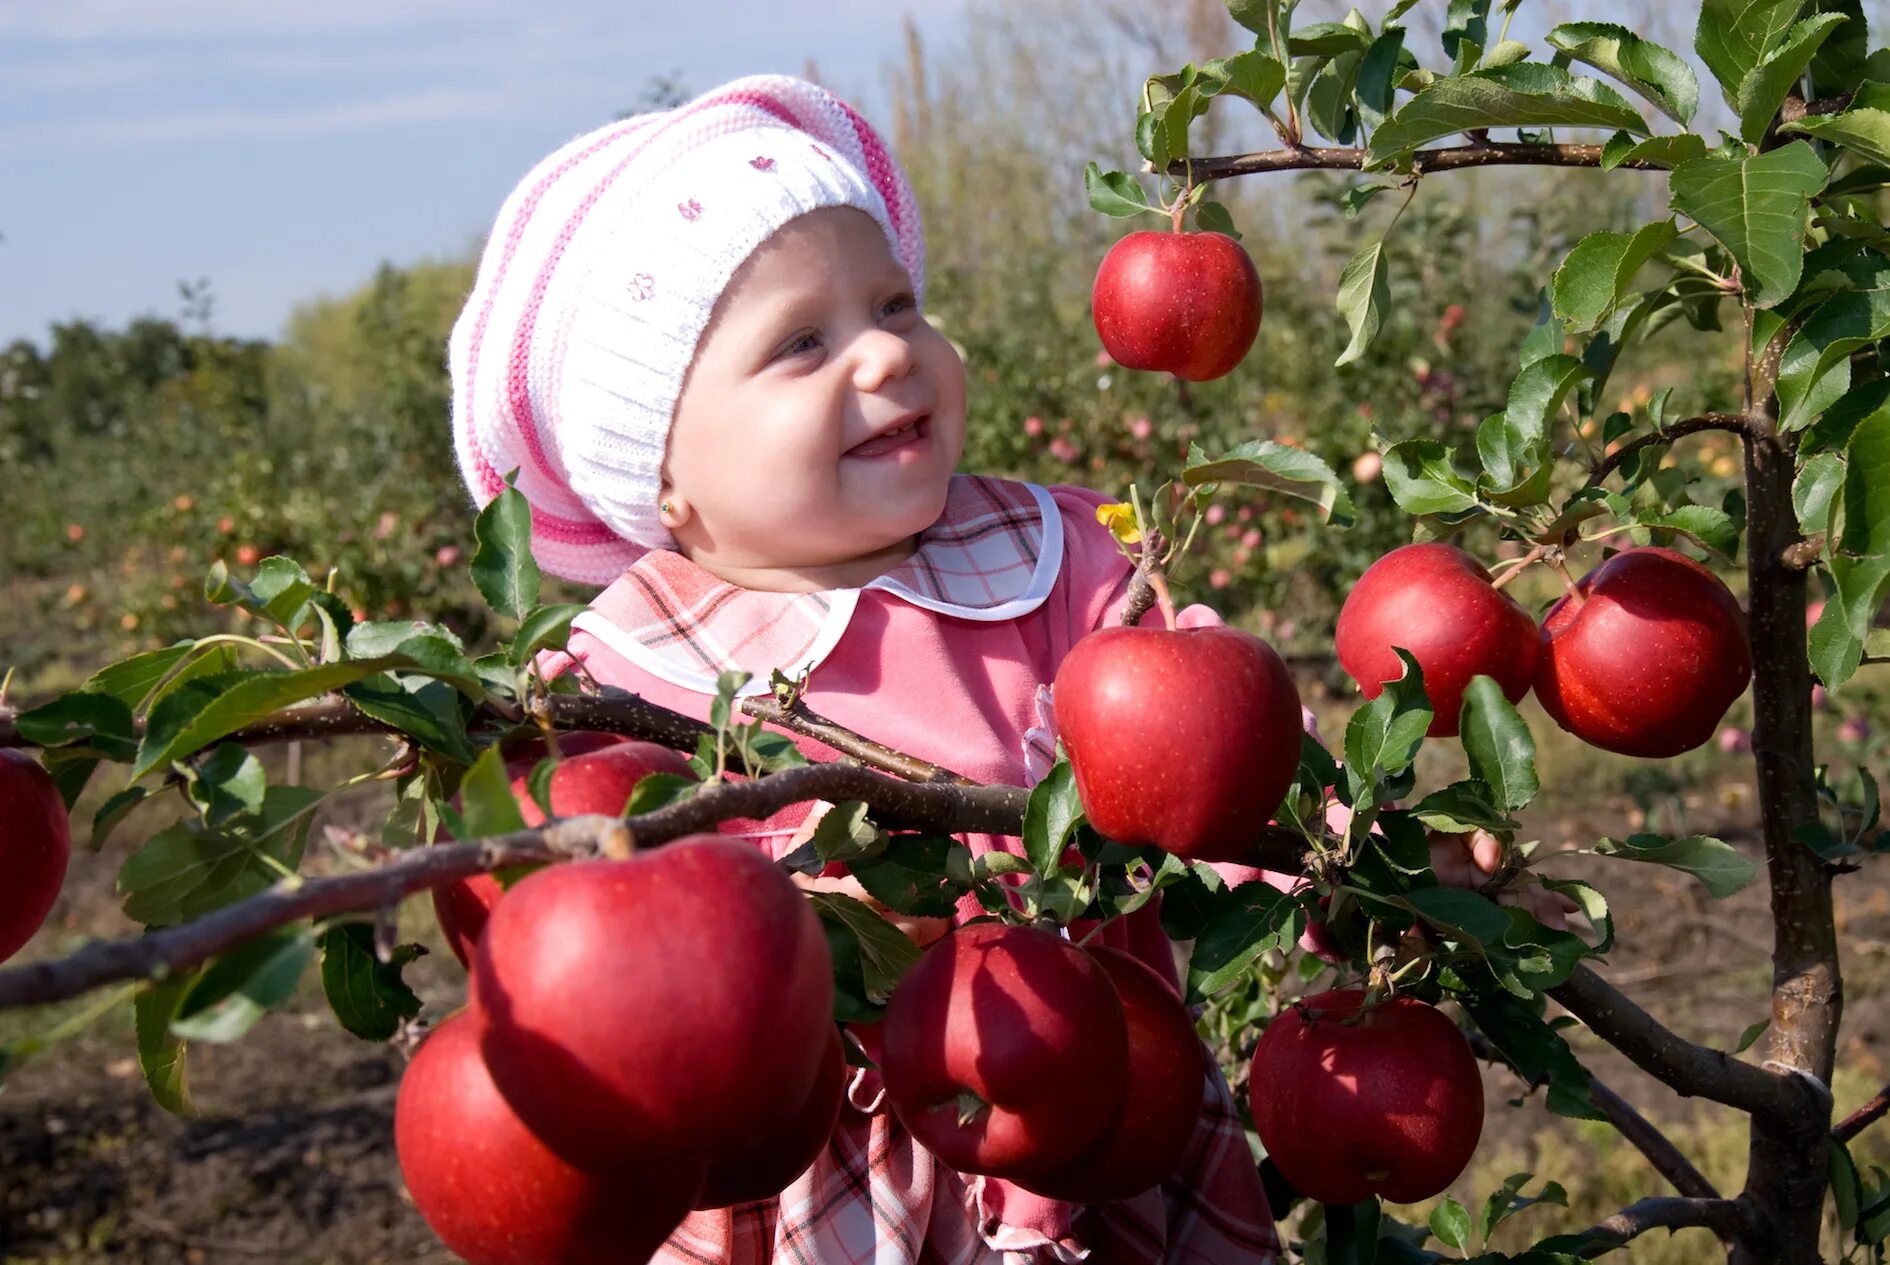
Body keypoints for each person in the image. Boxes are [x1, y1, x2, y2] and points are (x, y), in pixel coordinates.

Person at [449, 73, 1282, 1264]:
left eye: (895, 302)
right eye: (802, 342)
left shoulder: (1059, 559)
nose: (887, 353)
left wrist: (1348, 854)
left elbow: (1219, 764)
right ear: (660, 476)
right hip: (807, 1174)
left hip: (1095, 1110)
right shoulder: (615, 679)